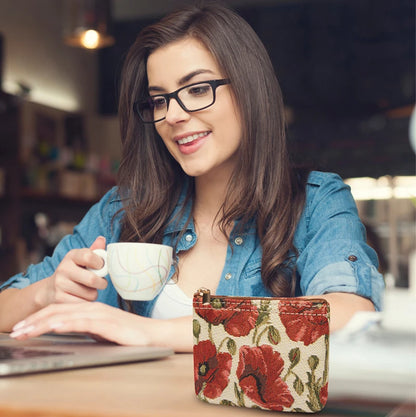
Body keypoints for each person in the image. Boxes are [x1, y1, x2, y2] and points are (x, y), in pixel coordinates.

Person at [0, 2, 384, 352]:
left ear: (249, 90)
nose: (173, 115)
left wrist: (149, 333)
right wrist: (48, 293)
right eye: (160, 99)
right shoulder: (124, 210)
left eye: (198, 89)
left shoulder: (315, 202)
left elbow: (350, 313)